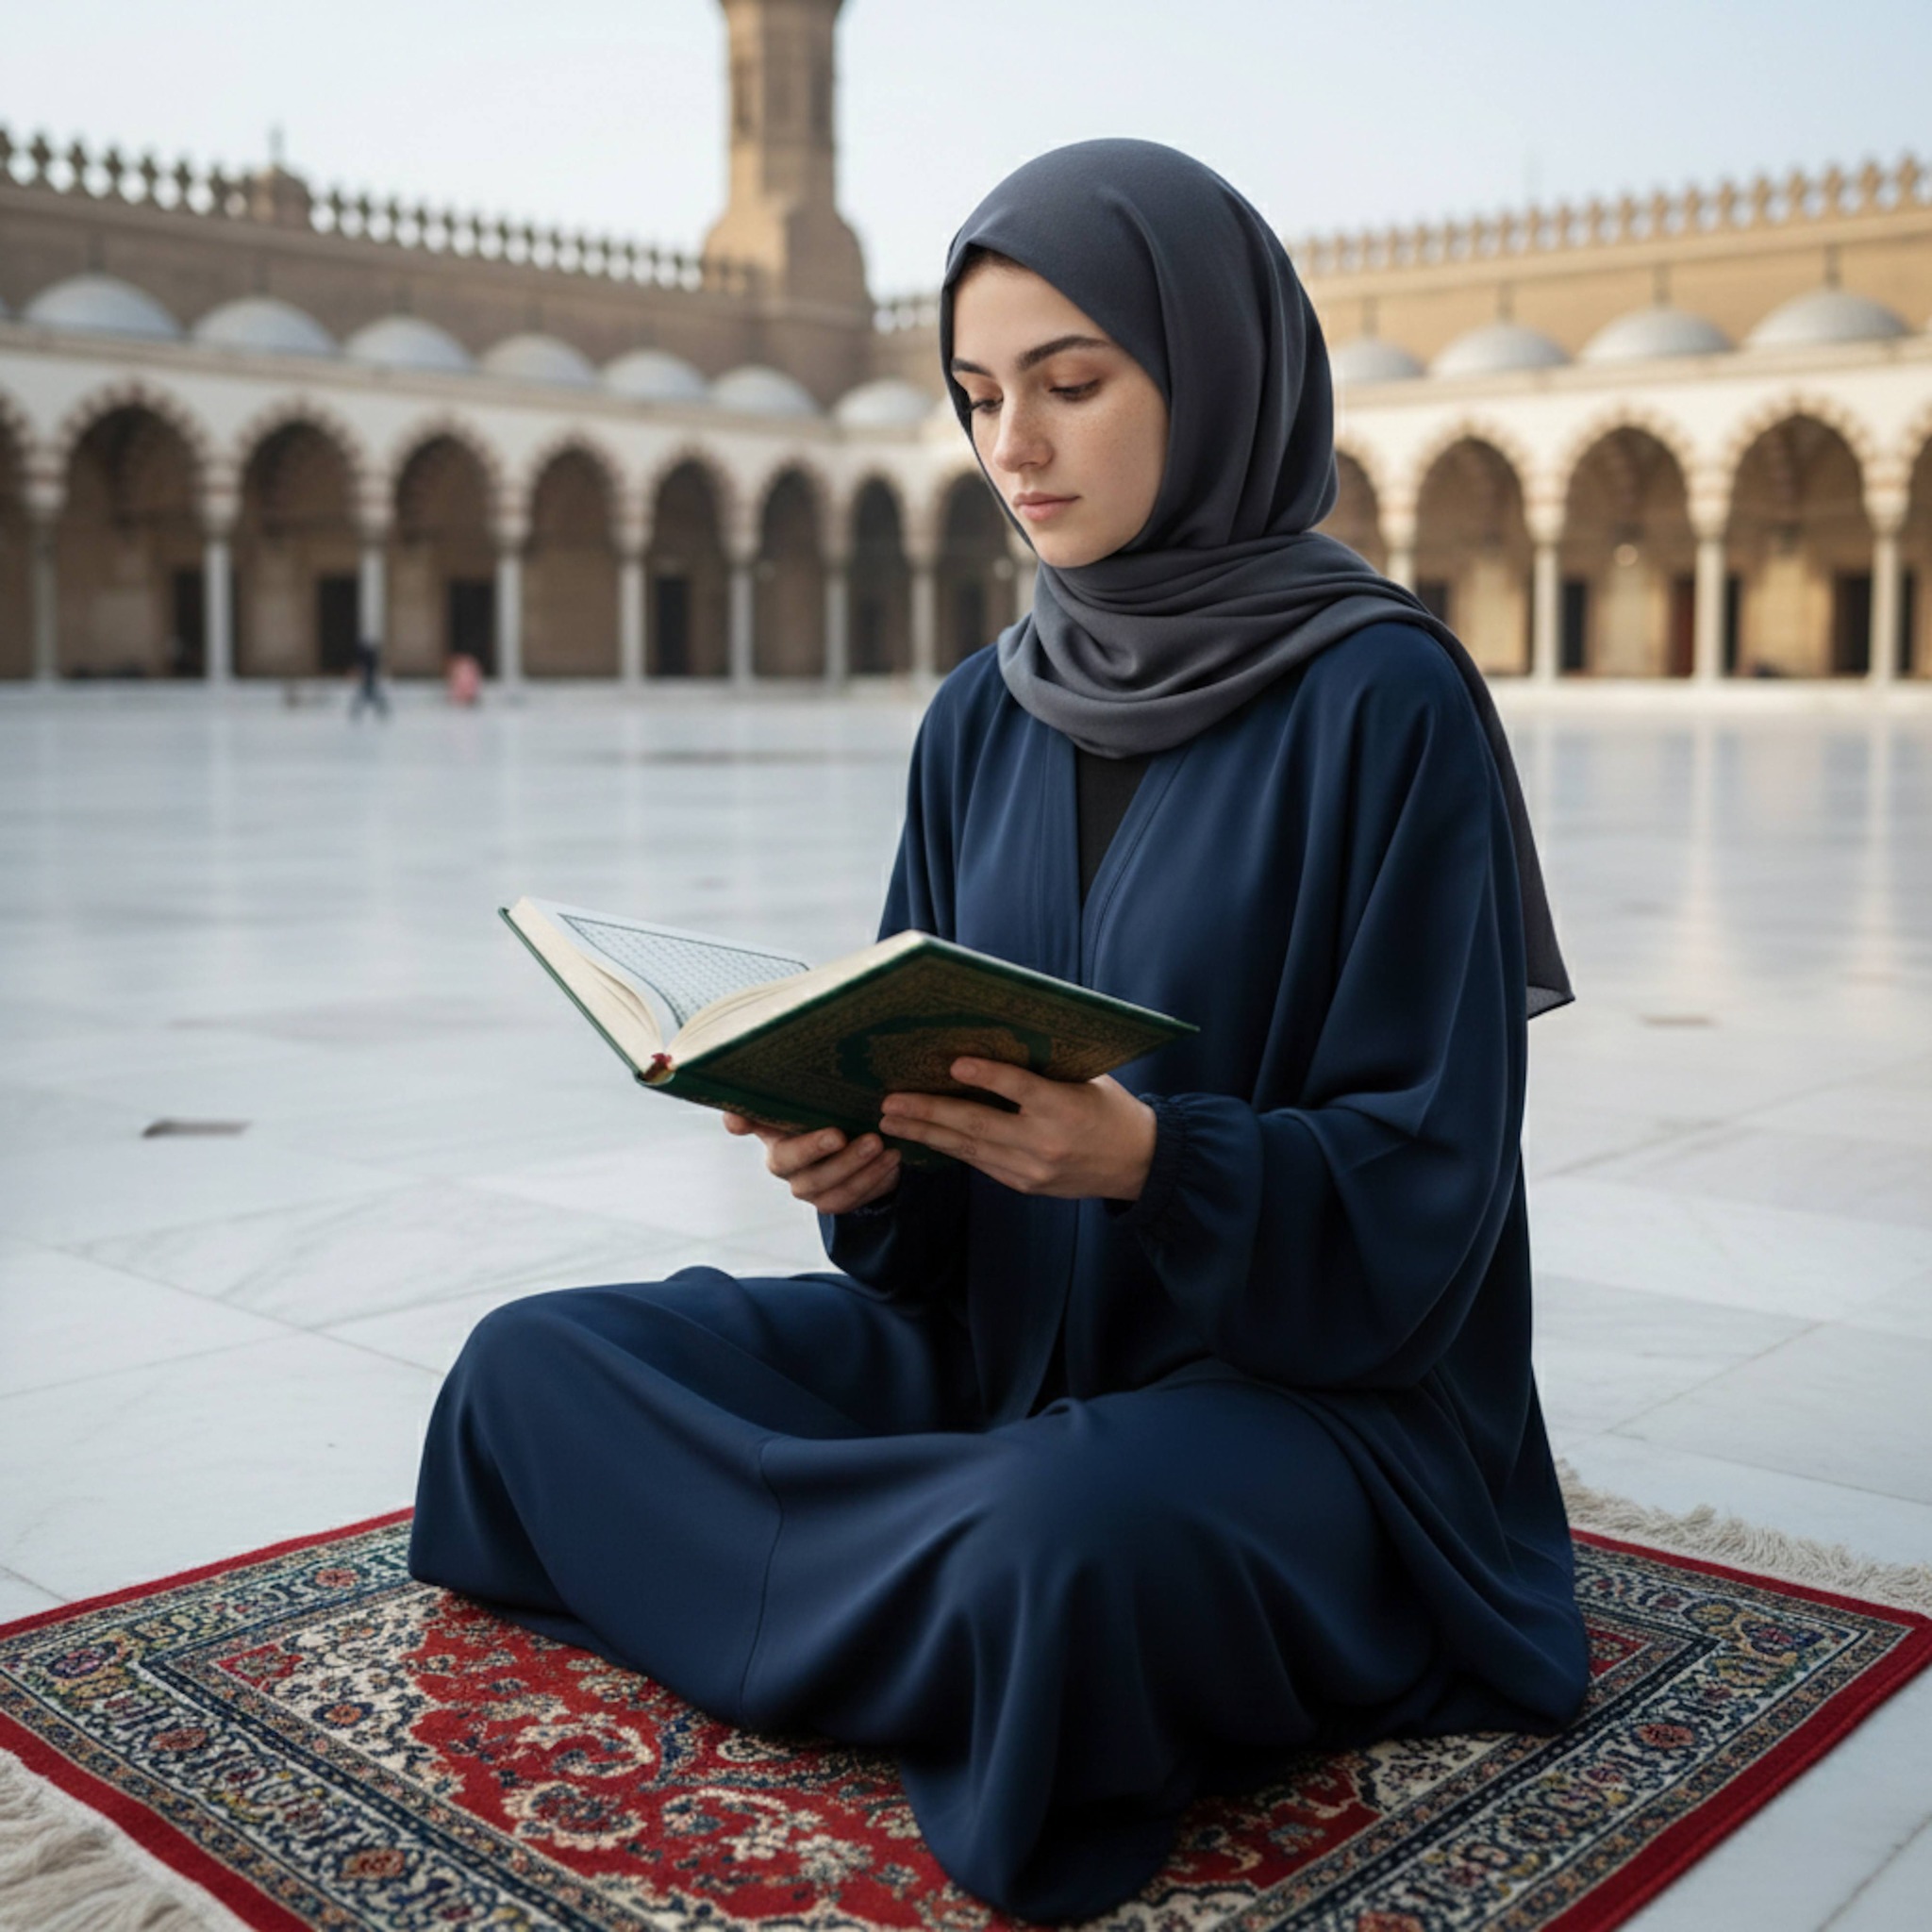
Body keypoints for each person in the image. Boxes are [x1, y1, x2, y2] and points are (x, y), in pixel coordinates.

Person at [409, 140, 1589, 1922]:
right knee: (526, 1374)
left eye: (1072, 383)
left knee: (1057, 1545)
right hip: (1008, 1356)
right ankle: (932, 1614)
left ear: (1218, 373)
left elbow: (1430, 1185)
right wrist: (860, 1162)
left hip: (1304, 1411)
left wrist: (1151, 1161)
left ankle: (886, 1596)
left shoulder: (1382, 697)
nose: (1012, 449)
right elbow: (925, 1185)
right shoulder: (984, 713)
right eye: (977, 398)